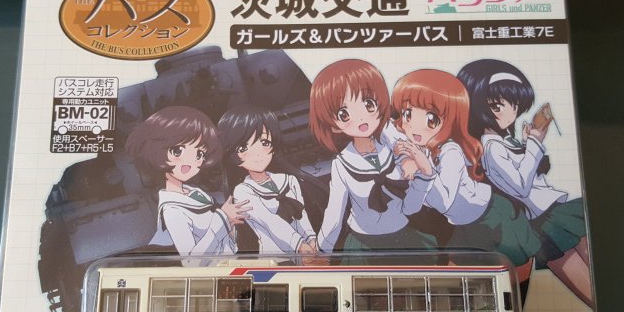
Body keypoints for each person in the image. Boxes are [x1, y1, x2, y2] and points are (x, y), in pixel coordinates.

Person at [458, 59, 592, 307]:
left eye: (515, 104)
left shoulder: (502, 142)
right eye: (497, 106)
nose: (511, 112)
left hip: (553, 211)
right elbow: (519, 186)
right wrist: (535, 143)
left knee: (592, 279)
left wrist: (527, 141)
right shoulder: (490, 147)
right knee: (587, 284)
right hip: (545, 219)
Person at [391, 68, 542, 279]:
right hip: (463, 224)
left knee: (515, 271)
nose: (414, 126)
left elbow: (444, 202)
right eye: (407, 114)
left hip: (492, 215)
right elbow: (410, 207)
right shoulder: (420, 151)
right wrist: (410, 164)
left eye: (431, 118)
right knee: (464, 277)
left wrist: (424, 169)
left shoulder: (450, 151)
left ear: (452, 118)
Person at [309, 59, 435, 262]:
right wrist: (323, 252)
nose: (361, 118)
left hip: (402, 237)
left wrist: (424, 174)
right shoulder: (342, 164)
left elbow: (411, 207)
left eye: (368, 104)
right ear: (332, 124)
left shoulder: (394, 148)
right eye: (344, 113)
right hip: (363, 244)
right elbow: (335, 213)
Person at [125, 106, 250, 261]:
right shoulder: (172, 210)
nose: (190, 161)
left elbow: (221, 240)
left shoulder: (195, 193)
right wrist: (223, 219)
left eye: (199, 154)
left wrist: (230, 224)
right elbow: (192, 262)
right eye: (178, 151)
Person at [217, 107, 319, 256]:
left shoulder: (289, 180)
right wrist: (300, 246)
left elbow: (302, 216)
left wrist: (312, 239)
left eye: (264, 142)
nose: (257, 154)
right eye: (243, 148)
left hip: (306, 252)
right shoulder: (243, 191)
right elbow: (270, 223)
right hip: (275, 259)